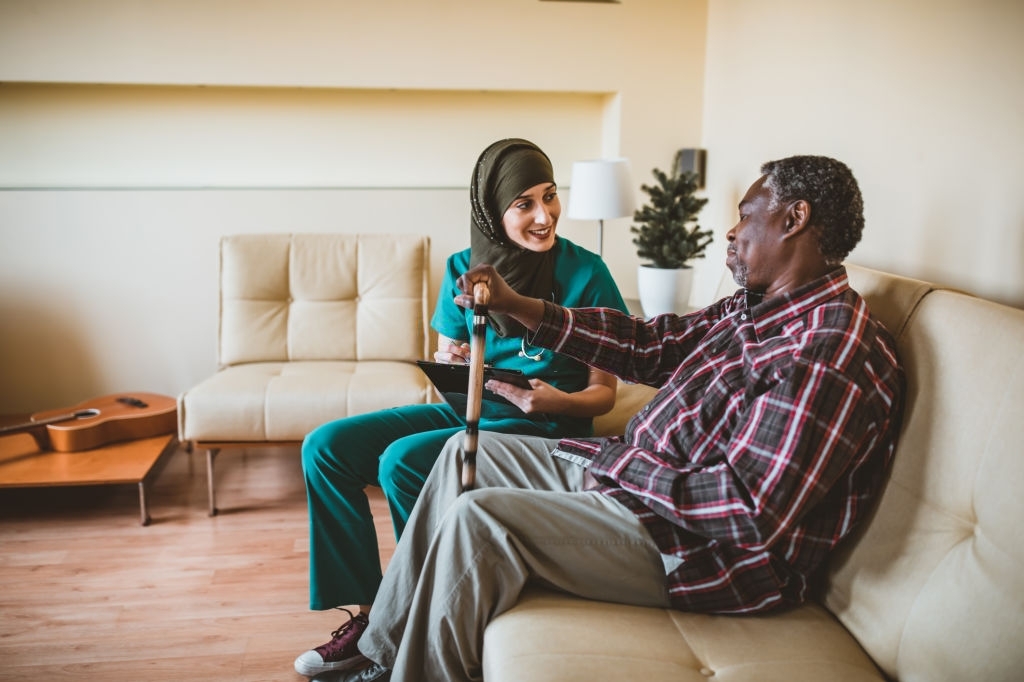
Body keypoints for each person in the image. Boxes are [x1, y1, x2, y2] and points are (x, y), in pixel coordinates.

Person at [313, 154, 906, 682]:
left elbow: (748, 511)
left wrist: (622, 458)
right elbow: (654, 344)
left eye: (746, 213)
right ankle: (384, 652)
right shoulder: (754, 308)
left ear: (793, 218)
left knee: (480, 519)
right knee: (460, 457)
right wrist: (523, 309)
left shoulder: (827, 347)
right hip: (639, 488)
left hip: (695, 548)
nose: (731, 230)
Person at [294, 138, 628, 678]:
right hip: (469, 411)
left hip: (542, 426)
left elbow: (604, 394)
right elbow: (450, 364)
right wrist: (448, 362)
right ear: (491, 213)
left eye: (550, 196)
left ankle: (418, 617)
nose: (545, 216)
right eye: (524, 204)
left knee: (401, 461)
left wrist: (557, 399)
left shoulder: (588, 275)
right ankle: (368, 613)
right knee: (326, 448)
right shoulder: (462, 269)